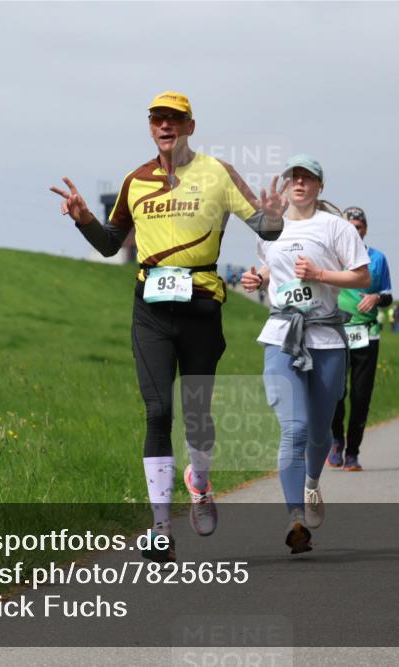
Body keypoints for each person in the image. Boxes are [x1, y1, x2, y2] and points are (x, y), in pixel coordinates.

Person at [50, 91, 285, 562]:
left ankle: (199, 483)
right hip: (151, 312)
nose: (166, 126)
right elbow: (109, 243)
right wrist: (83, 220)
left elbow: (267, 229)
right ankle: (160, 527)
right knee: (158, 412)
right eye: (158, 119)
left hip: (201, 310)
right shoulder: (135, 181)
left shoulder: (216, 173)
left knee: (196, 416)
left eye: (175, 119)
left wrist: (275, 215)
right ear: (151, 127)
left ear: (190, 127)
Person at [241, 155, 370, 554]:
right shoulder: (269, 228)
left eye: (307, 178)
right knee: (294, 429)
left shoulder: (336, 227)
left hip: (327, 338)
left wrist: (320, 275)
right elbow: (268, 268)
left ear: (319, 186)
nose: (299, 183)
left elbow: (362, 276)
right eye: (293, 177)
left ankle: (312, 483)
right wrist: (256, 278)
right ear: (284, 185)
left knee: (319, 432)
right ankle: (294, 516)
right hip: (283, 334)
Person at [328, 206, 393, 471]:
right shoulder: (331, 255)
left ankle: (353, 452)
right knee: (335, 392)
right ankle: (335, 440)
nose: (355, 231)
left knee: (361, 395)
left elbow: (388, 295)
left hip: (367, 335)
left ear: (365, 229)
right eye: (350, 227)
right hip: (335, 333)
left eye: (359, 227)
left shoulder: (377, 258)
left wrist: (376, 297)